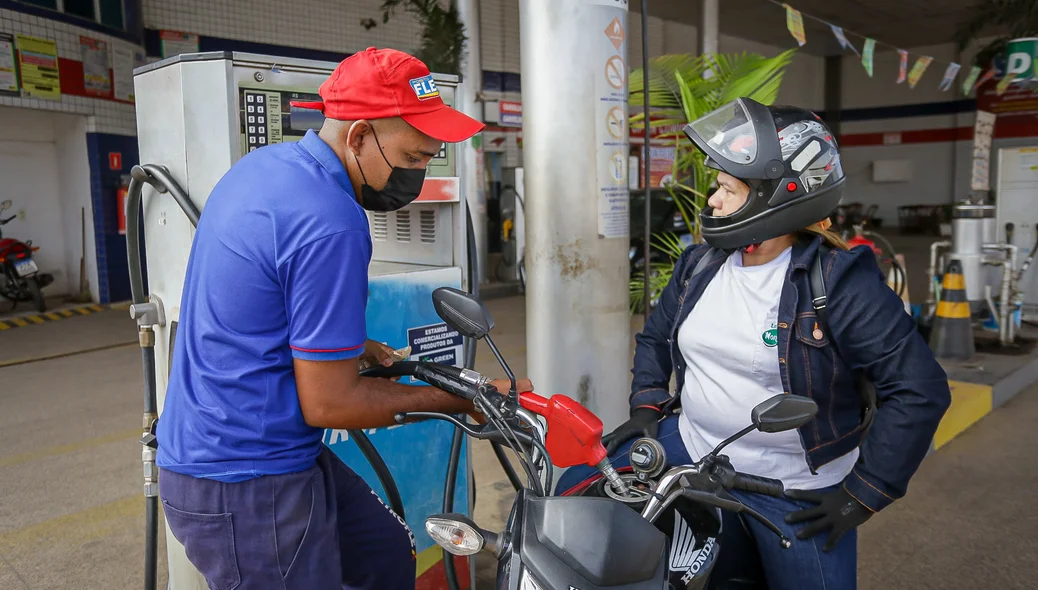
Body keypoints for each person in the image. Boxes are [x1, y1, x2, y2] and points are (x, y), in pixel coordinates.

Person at [156, 47, 531, 590]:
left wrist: (351, 347)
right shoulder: (332, 221)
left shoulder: (267, 167)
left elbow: (258, 309)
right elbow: (331, 403)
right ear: (358, 137)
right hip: (244, 478)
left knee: (380, 552)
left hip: (234, 451)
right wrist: (464, 400)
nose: (419, 174)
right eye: (412, 159)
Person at [556, 98, 950, 589]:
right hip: (691, 448)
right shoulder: (701, 265)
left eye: (726, 189)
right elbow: (656, 338)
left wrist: (863, 493)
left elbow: (919, 390)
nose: (712, 202)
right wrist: (648, 407)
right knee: (572, 497)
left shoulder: (841, 283)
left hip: (792, 486)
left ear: (779, 195)